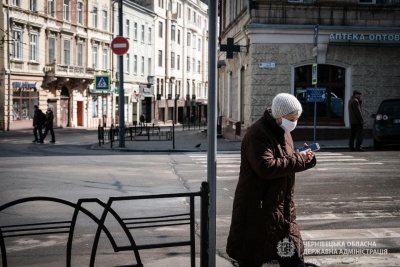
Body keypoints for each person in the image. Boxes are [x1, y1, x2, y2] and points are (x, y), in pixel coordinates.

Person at [226, 93, 317, 267]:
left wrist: (306, 158)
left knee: (293, 259)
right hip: (259, 208)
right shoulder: (258, 134)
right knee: (253, 256)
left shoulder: (284, 131)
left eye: (297, 118)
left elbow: (286, 163)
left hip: (282, 207)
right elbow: (266, 167)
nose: (295, 122)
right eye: (292, 118)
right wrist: (299, 159)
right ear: (279, 115)